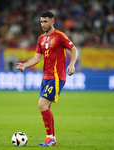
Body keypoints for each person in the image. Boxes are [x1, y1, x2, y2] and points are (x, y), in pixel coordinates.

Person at [16, 11, 78, 147]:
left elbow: (74, 50)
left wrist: (72, 65)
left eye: (45, 21)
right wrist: (25, 65)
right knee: (46, 106)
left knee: (41, 104)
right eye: (41, 22)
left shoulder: (60, 36)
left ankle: (50, 138)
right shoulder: (41, 39)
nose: (43, 24)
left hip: (56, 77)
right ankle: (51, 138)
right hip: (45, 78)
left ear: (52, 22)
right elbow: (37, 58)